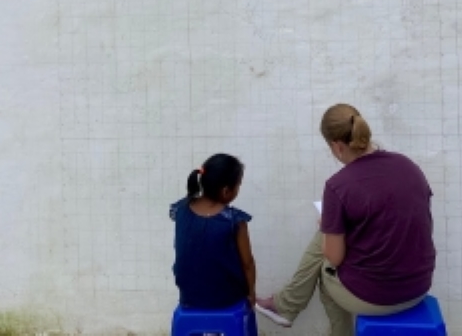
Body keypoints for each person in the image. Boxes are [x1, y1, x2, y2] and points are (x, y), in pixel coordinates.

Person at [256, 104, 436, 336]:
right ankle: (286, 304)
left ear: (337, 146)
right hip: (418, 287)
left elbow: (334, 257)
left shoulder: (338, 185)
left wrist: (330, 228)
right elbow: (413, 223)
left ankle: (290, 306)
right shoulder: (408, 166)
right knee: (330, 234)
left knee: (326, 271)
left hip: (377, 298)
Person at [170, 153, 257, 310]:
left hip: (189, 295)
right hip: (225, 297)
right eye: (238, 186)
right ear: (226, 191)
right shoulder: (234, 220)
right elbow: (248, 264)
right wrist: (251, 294)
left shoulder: (180, 210)